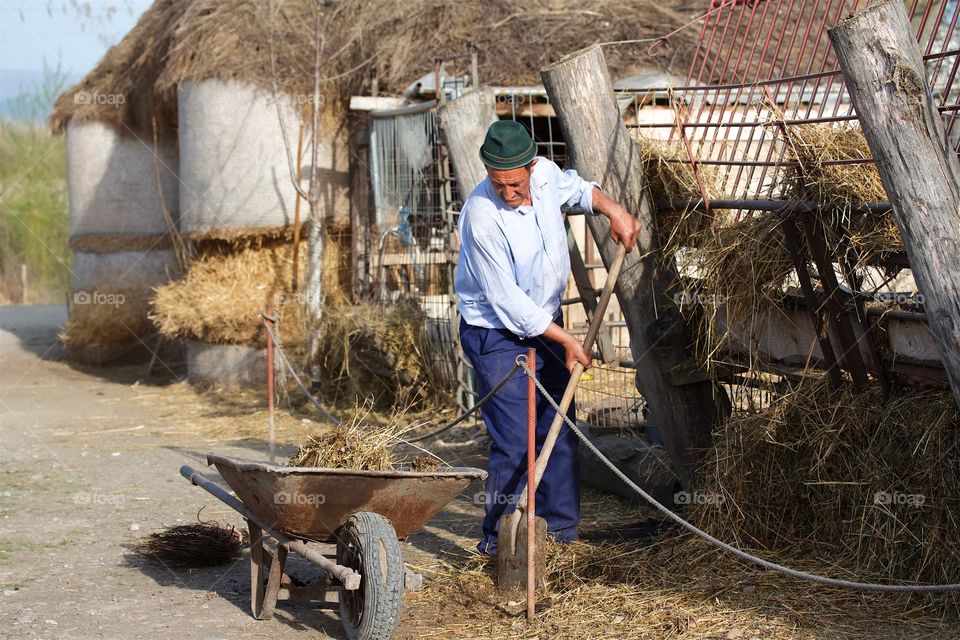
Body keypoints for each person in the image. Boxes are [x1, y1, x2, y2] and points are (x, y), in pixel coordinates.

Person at [456, 120, 640, 555]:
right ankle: (502, 547)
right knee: (518, 440)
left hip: (546, 324)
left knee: (559, 428)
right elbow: (507, 302)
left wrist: (612, 210)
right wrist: (567, 340)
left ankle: (559, 537)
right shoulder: (481, 218)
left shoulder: (544, 174)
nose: (508, 193)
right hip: (497, 334)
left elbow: (577, 190)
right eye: (499, 184)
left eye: (515, 183)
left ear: (531, 165)